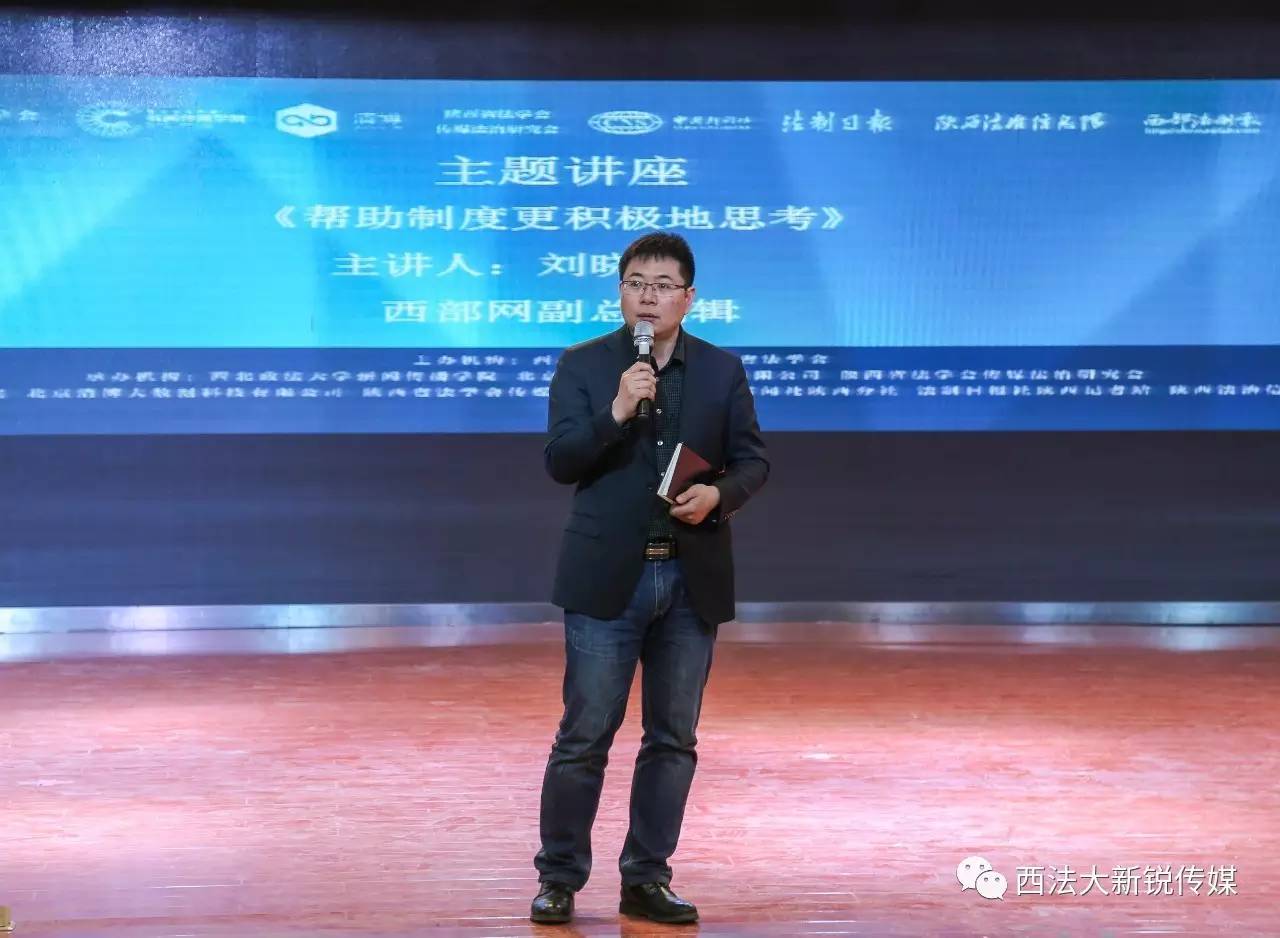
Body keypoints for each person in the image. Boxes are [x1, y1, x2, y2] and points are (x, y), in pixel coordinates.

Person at [531, 232, 769, 924]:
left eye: (663, 285)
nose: (648, 296)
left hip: (690, 580)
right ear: (620, 292)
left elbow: (753, 460)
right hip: (608, 578)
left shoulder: (722, 370)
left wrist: (719, 495)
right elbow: (561, 461)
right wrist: (615, 412)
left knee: (672, 739)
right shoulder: (584, 365)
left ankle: (646, 877)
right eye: (636, 283)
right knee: (584, 736)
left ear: (688, 298)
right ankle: (559, 878)